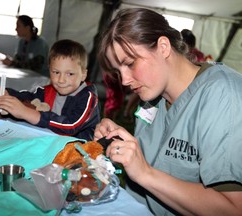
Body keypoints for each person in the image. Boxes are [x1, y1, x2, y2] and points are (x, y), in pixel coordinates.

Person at [94, 8, 242, 216]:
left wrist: (146, 174)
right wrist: (122, 142)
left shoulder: (224, 96)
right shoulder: (152, 98)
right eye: (118, 71)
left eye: (130, 63)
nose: (125, 80)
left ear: (163, 47)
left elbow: (233, 209)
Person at [0, 39, 100, 141]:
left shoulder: (88, 97)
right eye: (56, 72)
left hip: (81, 151)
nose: (61, 80)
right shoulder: (50, 90)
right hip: (51, 143)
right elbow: (29, 97)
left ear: (84, 75)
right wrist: (7, 93)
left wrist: (29, 113)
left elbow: (71, 126)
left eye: (70, 74)